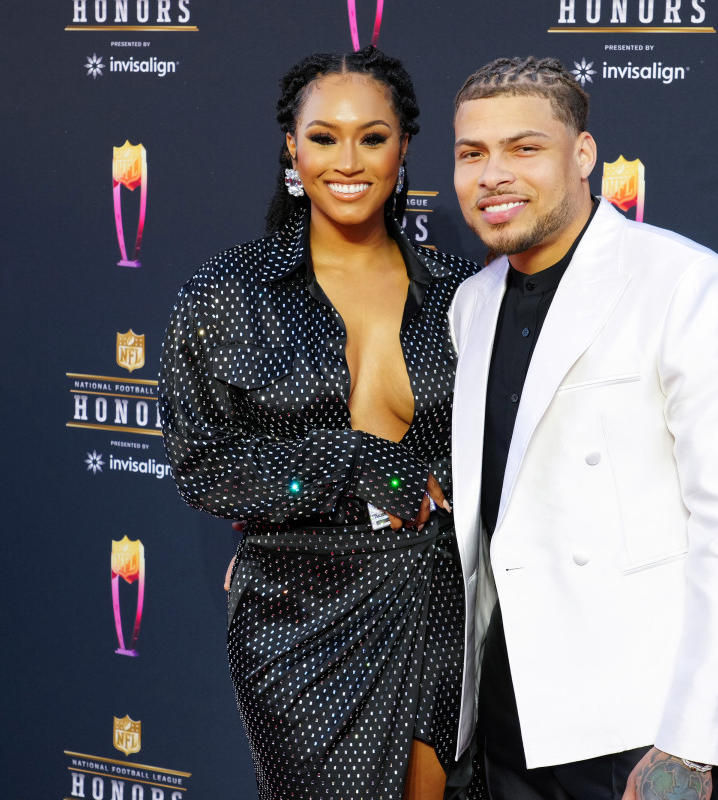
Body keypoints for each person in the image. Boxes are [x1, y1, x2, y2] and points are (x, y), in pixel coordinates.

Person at [446, 56, 718, 800]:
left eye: (524, 148)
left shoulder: (688, 285)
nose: (493, 175)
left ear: (584, 156)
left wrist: (692, 743)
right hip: (511, 716)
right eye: (471, 154)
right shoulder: (472, 304)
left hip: (641, 723)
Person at [159, 47, 479, 800]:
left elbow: (518, 444)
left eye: (372, 137)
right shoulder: (228, 292)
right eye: (324, 137)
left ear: (404, 151)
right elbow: (205, 463)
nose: (348, 160)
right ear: (292, 150)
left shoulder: (467, 293)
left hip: (439, 597)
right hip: (297, 612)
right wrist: (354, 462)